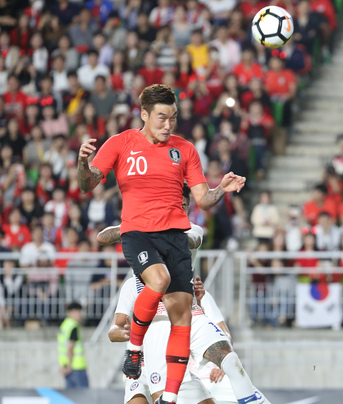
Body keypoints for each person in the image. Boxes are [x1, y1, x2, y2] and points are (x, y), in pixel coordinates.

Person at [77, 84, 246, 404]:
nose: (168, 125)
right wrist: (83, 163)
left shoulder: (185, 149)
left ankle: (169, 398)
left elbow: (203, 199)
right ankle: (135, 350)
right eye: (161, 118)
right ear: (144, 114)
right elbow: (87, 185)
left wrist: (221, 189)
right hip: (138, 233)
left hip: (175, 236)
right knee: (159, 280)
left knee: (182, 317)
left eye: (173, 118)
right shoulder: (121, 143)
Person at [105, 185, 268, 404]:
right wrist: (135, 226)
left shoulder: (191, 229)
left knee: (230, 361)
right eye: (176, 203)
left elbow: (192, 240)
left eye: (184, 204)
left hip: (189, 314)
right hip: (156, 332)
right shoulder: (132, 284)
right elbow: (102, 237)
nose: (180, 208)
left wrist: (158, 230)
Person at [58, 301, 89, 388]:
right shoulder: (73, 326)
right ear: (71, 312)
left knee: (70, 395)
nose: (80, 315)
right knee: (84, 394)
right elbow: (70, 347)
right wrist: (69, 366)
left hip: (66, 366)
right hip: (76, 367)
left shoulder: (64, 325)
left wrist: (64, 366)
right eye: (78, 312)